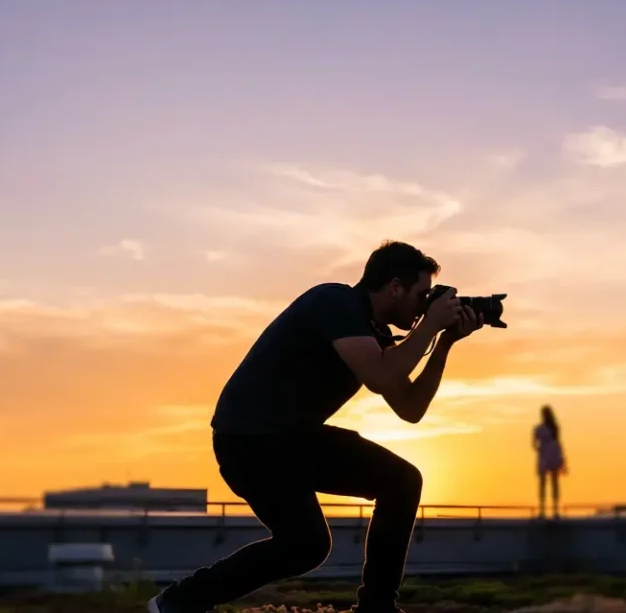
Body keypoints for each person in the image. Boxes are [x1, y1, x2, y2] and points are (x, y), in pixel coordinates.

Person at [149, 240, 487, 613]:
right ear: (394, 287)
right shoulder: (335, 303)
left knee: (311, 542)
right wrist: (432, 326)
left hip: (287, 441)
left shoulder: (375, 334)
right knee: (376, 497)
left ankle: (178, 602)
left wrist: (444, 343)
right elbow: (380, 375)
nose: (425, 306)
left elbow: (410, 408)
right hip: (250, 441)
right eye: (422, 295)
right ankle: (376, 607)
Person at [533, 405, 566, 519]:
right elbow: (534, 444)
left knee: (550, 483)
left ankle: (553, 510)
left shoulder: (551, 427)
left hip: (550, 454)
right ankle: (545, 509)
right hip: (548, 454)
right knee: (548, 483)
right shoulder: (541, 428)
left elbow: (534, 444)